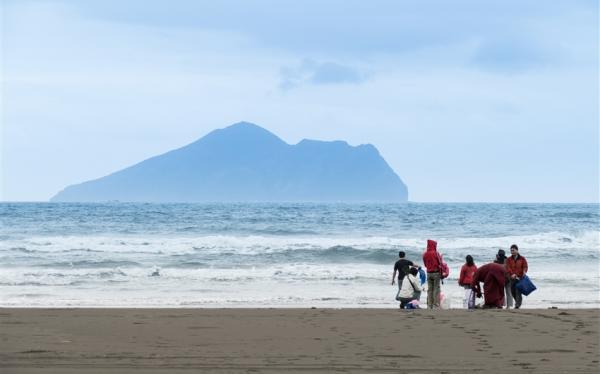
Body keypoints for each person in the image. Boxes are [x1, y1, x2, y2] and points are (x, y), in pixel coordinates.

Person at [506, 244, 528, 309]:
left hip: (520, 277)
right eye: (511, 250)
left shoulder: (522, 258)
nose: (512, 252)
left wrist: (524, 271)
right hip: (512, 277)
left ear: (517, 250)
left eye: (513, 250)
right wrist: (512, 274)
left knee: (518, 291)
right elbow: (508, 267)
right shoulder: (509, 259)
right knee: (512, 291)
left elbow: (525, 266)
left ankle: (517, 305)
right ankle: (518, 302)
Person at [422, 239, 442, 309]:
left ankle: (429, 305)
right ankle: (435, 305)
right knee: (436, 288)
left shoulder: (425, 254)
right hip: (436, 273)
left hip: (428, 273)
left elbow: (425, 264)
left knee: (430, 289)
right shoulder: (436, 253)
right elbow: (440, 263)